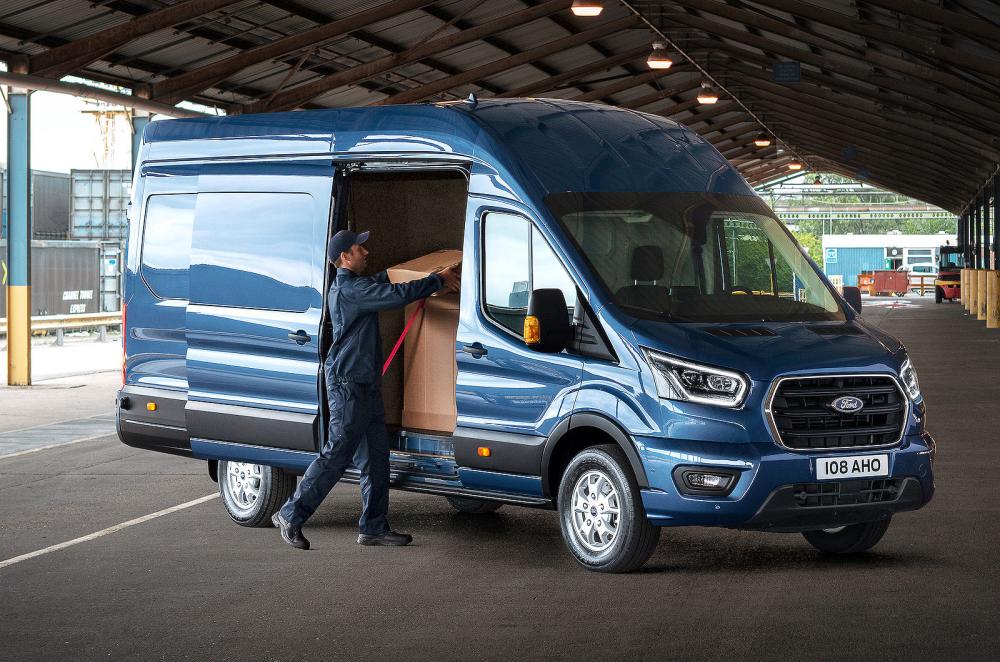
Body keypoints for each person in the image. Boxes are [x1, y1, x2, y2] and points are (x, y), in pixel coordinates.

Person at [272, 229, 461, 549]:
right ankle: (291, 513)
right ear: (345, 257)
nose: (366, 252)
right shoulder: (350, 290)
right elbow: (395, 296)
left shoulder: (358, 285)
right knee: (336, 454)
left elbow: (382, 281)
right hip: (348, 386)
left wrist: (409, 271)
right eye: (360, 249)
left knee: (376, 458)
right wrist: (436, 280)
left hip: (365, 385)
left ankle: (373, 527)